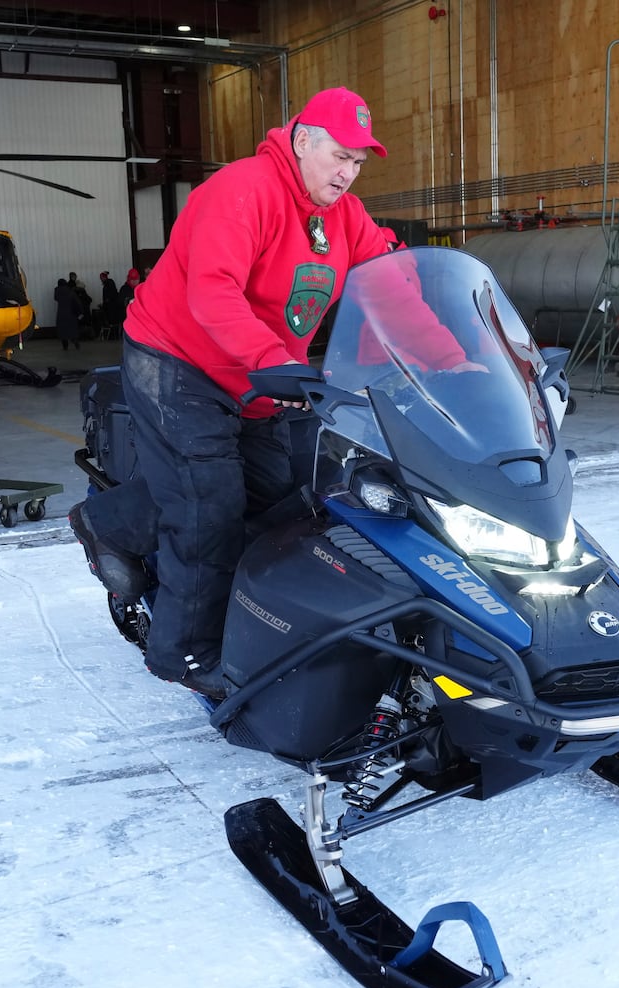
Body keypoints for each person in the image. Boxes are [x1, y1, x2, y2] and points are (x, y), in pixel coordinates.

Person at [69, 86, 408, 700]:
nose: (348, 172)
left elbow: (393, 286)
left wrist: (462, 358)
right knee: (210, 508)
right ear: (302, 140)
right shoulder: (240, 190)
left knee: (291, 494)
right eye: (339, 155)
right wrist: (273, 361)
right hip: (179, 358)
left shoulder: (344, 217)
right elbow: (214, 294)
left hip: (263, 369)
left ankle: (114, 521)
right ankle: (186, 653)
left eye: (359, 161)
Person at [53, 278, 82, 351]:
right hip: (71, 313)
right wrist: (80, 312)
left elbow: (56, 298)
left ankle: (65, 346)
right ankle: (75, 342)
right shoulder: (70, 291)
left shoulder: (57, 291)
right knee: (71, 330)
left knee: (63, 331)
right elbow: (77, 302)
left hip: (61, 314)